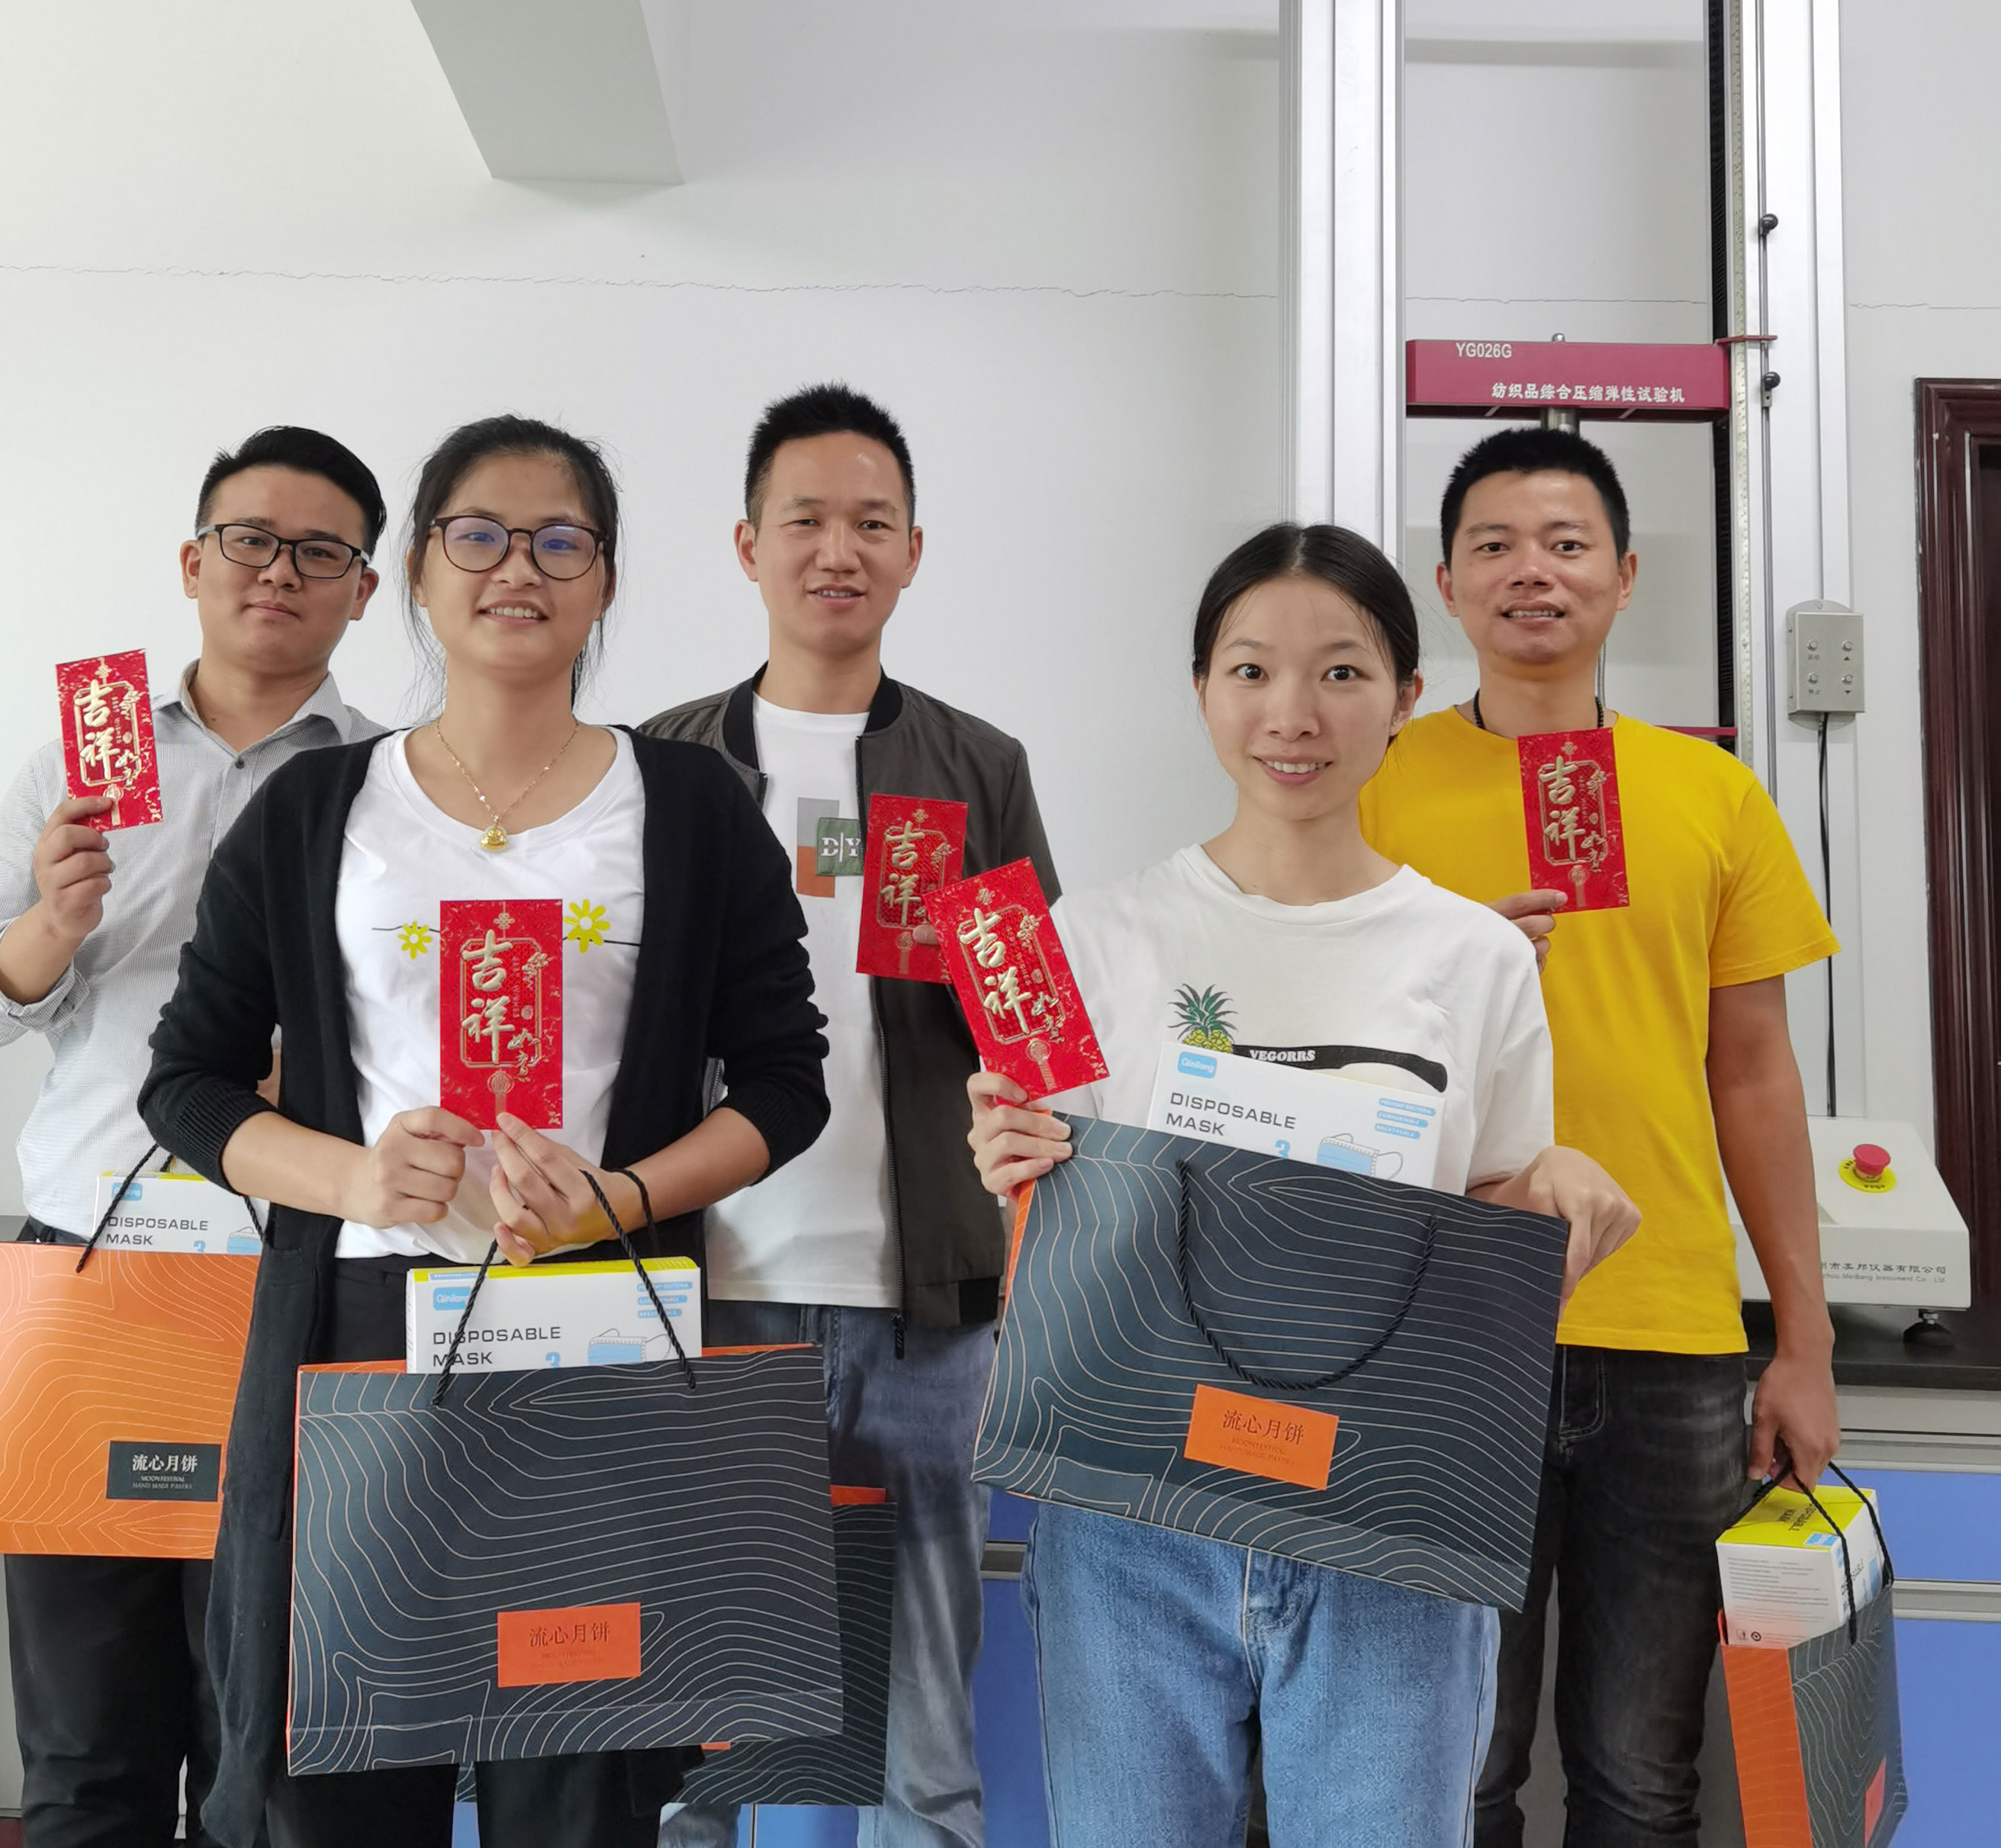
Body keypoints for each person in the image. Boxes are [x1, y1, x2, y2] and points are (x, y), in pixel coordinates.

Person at [137, 414, 829, 1848]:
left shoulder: (693, 807)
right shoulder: (316, 807)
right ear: (416, 571)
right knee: (339, 1770)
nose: (519, 568)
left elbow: (785, 1083)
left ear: (607, 579)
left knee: (578, 1779)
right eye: (479, 536)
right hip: (354, 1334)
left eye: (560, 541)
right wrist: (355, 1177)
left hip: (597, 1329)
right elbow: (190, 1083)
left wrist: (620, 1197)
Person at [967, 521, 1639, 1848]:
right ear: (1201, 689)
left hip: (1389, 1526)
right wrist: (1012, 1177)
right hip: (1133, 1516)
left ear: (1406, 695)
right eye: (1251, 670)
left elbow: (1488, 1245)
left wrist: (1553, 1206)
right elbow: (1051, 1254)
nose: (1293, 713)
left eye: (1341, 672)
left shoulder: (1477, 958)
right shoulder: (1086, 938)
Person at [1359, 423, 1841, 1847]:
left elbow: (1754, 1075)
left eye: (1567, 545)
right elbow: (1303, 1040)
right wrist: (1439, 972)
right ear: (1447, 584)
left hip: (1675, 1335)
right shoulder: (1371, 783)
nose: (1534, 572)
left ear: (1625, 577)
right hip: (1444, 1326)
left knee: (1641, 1777)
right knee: (1454, 1770)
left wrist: (1802, 1341)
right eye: (1496, 546)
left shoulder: (1713, 794)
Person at [0, 426, 389, 1847]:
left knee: (269, 1748)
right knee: (83, 1750)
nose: (279, 572)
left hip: (295, 1281)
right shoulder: (78, 760)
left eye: (321, 551)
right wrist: (48, 930)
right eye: (250, 540)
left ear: (366, 590)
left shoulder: (390, 785)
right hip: (90, 1275)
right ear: (193, 563)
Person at [645, 384, 1057, 1848]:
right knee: (688, 1731)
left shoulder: (977, 766)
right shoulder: (658, 762)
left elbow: (1037, 1041)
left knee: (925, 1737)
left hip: (927, 1306)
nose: (839, 550)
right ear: (747, 544)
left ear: (914, 551)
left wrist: (989, 992)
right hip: (707, 1289)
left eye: (872, 523)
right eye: (806, 520)